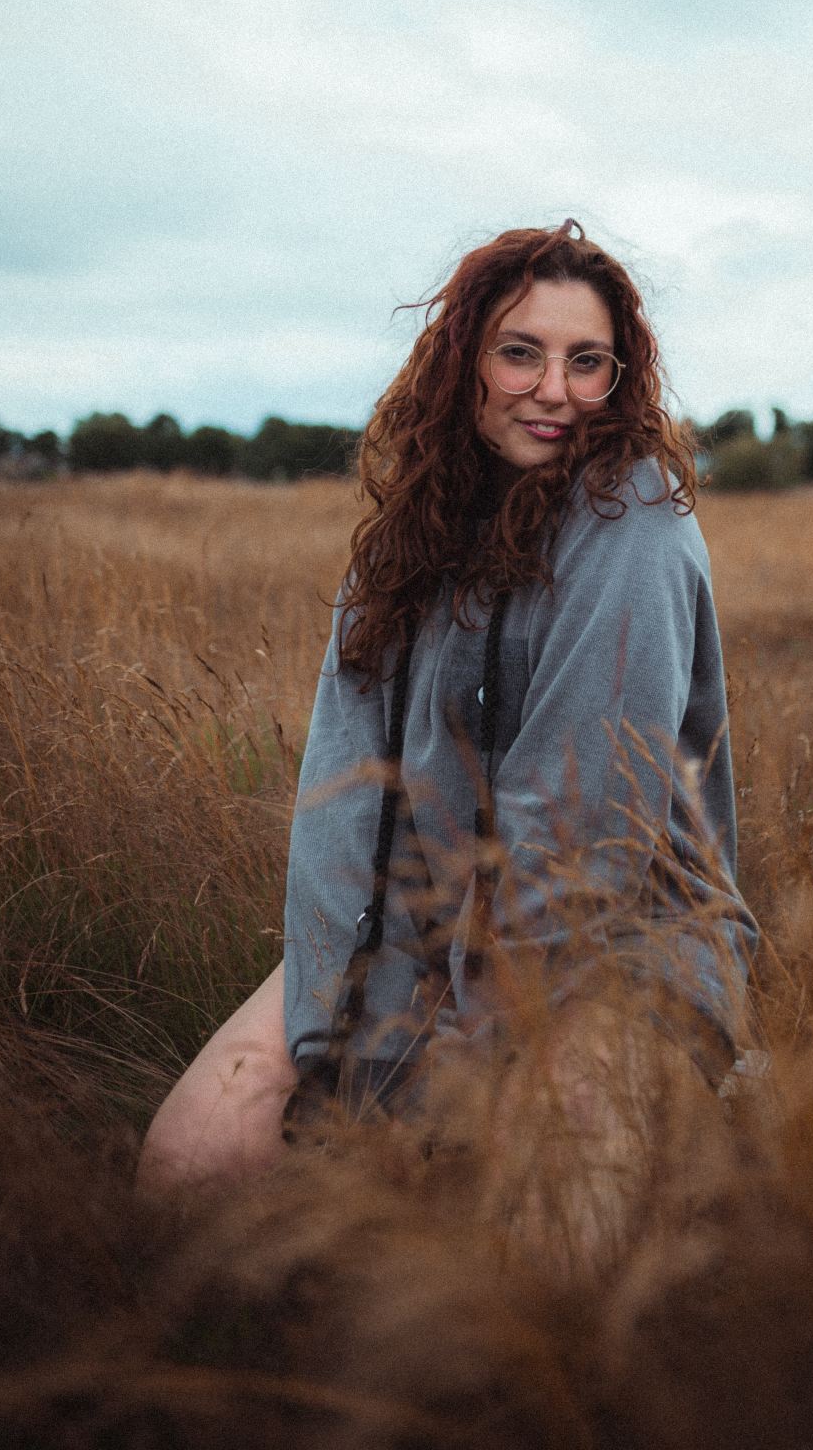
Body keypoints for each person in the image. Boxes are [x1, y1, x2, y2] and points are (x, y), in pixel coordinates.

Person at [139, 220, 758, 1265]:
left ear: (619, 376)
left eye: (586, 362)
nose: (552, 389)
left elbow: (579, 835)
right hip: (409, 920)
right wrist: (328, 1022)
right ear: (465, 359)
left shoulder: (634, 524)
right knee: (186, 1173)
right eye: (520, 352)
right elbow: (341, 793)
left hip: (615, 941)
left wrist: (460, 1053)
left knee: (538, 1253)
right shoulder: (411, 531)